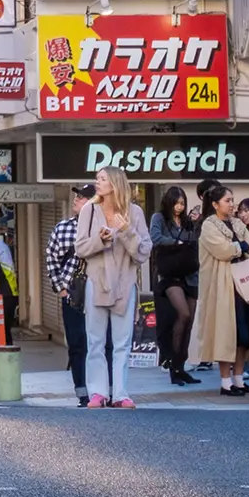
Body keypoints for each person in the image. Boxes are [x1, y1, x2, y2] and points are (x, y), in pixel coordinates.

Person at [74, 166, 151, 408]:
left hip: (125, 283)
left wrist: (127, 232)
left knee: (122, 342)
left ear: (116, 183)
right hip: (96, 282)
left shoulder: (135, 212)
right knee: (95, 340)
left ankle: (120, 393)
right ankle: (97, 392)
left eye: (102, 179)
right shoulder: (89, 209)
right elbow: (80, 248)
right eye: (97, 178)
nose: (97, 182)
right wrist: (101, 240)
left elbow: (144, 252)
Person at [191, 184, 249, 398]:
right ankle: (225, 381)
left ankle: (239, 379)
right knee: (226, 334)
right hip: (223, 287)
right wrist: (240, 247)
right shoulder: (209, 226)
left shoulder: (238, 224)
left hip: (243, 285)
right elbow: (223, 250)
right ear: (214, 204)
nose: (232, 205)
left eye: (232, 200)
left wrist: (239, 247)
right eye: (227, 201)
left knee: (244, 334)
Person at [47, 183, 98, 406]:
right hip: (73, 294)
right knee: (77, 342)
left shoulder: (103, 226)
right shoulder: (63, 228)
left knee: (100, 342)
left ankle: (103, 390)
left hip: (99, 292)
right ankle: (82, 391)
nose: (76, 200)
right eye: (76, 196)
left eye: (82, 197)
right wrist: (62, 289)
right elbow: (52, 259)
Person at [149, 186, 200, 386]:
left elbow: (195, 240)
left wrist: (195, 225)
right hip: (169, 274)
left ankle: (181, 365)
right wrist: (177, 243)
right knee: (183, 314)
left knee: (189, 322)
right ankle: (172, 365)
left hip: (189, 274)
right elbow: (155, 238)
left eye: (182, 204)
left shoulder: (187, 221)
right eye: (176, 203)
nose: (179, 207)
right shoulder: (159, 218)